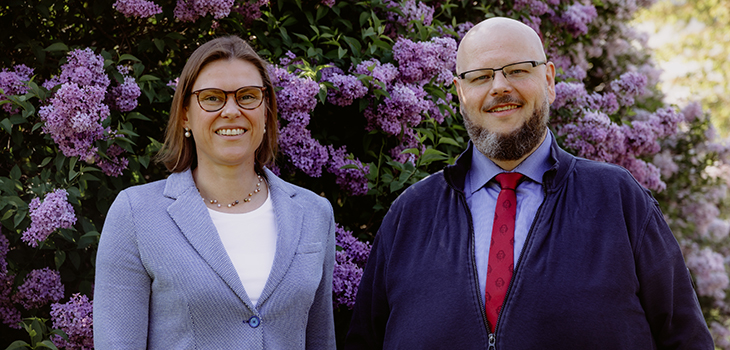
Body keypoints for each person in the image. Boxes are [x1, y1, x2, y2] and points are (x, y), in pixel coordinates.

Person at [345, 17, 713, 349]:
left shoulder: (619, 200)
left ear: (549, 80)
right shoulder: (409, 215)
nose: (500, 87)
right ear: (460, 93)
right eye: (480, 76)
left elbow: (686, 339)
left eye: (518, 70)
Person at [93, 36, 336, 349]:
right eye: (211, 98)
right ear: (185, 115)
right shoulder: (136, 214)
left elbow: (320, 341)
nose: (231, 111)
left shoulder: (314, 213)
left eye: (248, 96)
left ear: (266, 111)